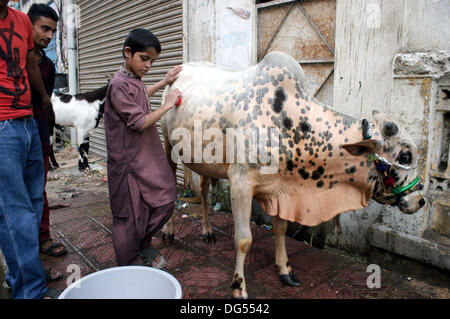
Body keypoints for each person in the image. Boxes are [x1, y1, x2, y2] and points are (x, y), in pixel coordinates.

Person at [104, 28, 182, 267]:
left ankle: (142, 243)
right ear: (128, 52)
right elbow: (138, 122)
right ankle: (128, 268)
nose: (148, 65)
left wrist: (165, 81)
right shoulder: (118, 85)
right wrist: (168, 105)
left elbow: (140, 98)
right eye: (144, 58)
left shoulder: (133, 80)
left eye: (152, 61)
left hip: (143, 158)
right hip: (127, 163)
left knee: (166, 199)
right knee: (128, 217)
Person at [0, 0, 58, 298]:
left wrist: (46, 103)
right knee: (16, 211)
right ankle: (31, 290)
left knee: (34, 202)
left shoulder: (21, 21)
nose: (47, 34)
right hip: (2, 126)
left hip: (27, 122)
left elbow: (28, 64)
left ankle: (21, 272)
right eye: (45, 28)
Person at [28, 3, 67, 263]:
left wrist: (49, 136)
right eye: (44, 28)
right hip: (10, 131)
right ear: (26, 25)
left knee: (37, 190)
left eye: (53, 31)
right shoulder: (11, 60)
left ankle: (43, 237)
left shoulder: (49, 67)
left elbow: (47, 103)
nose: (50, 36)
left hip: (39, 134)